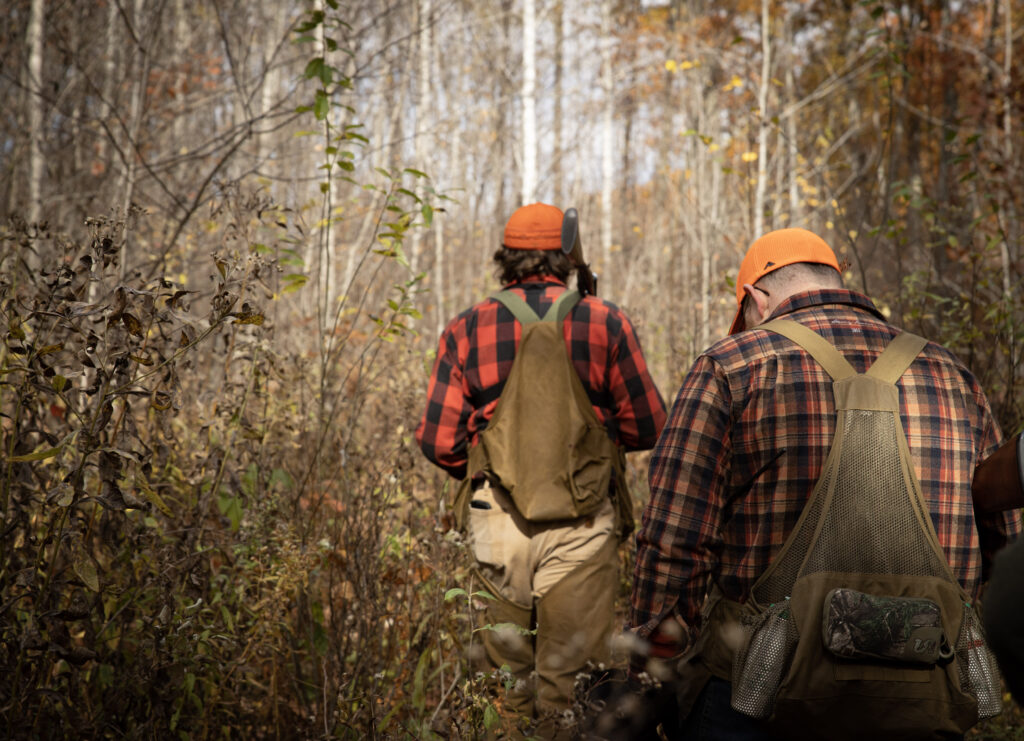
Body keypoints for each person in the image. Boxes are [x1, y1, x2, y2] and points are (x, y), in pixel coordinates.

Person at [629, 227, 1022, 738]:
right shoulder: (952, 376)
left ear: (755, 298)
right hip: (921, 696)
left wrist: (650, 677)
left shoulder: (731, 366)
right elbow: (1008, 547)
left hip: (757, 698)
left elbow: (673, 543)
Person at [417, 203, 666, 736]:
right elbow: (648, 425)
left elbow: (438, 441)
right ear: (566, 256)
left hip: (497, 526)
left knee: (502, 689)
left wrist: (491, 467)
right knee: (572, 689)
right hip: (581, 528)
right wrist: (590, 447)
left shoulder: (466, 326)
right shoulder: (605, 321)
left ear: (507, 258)